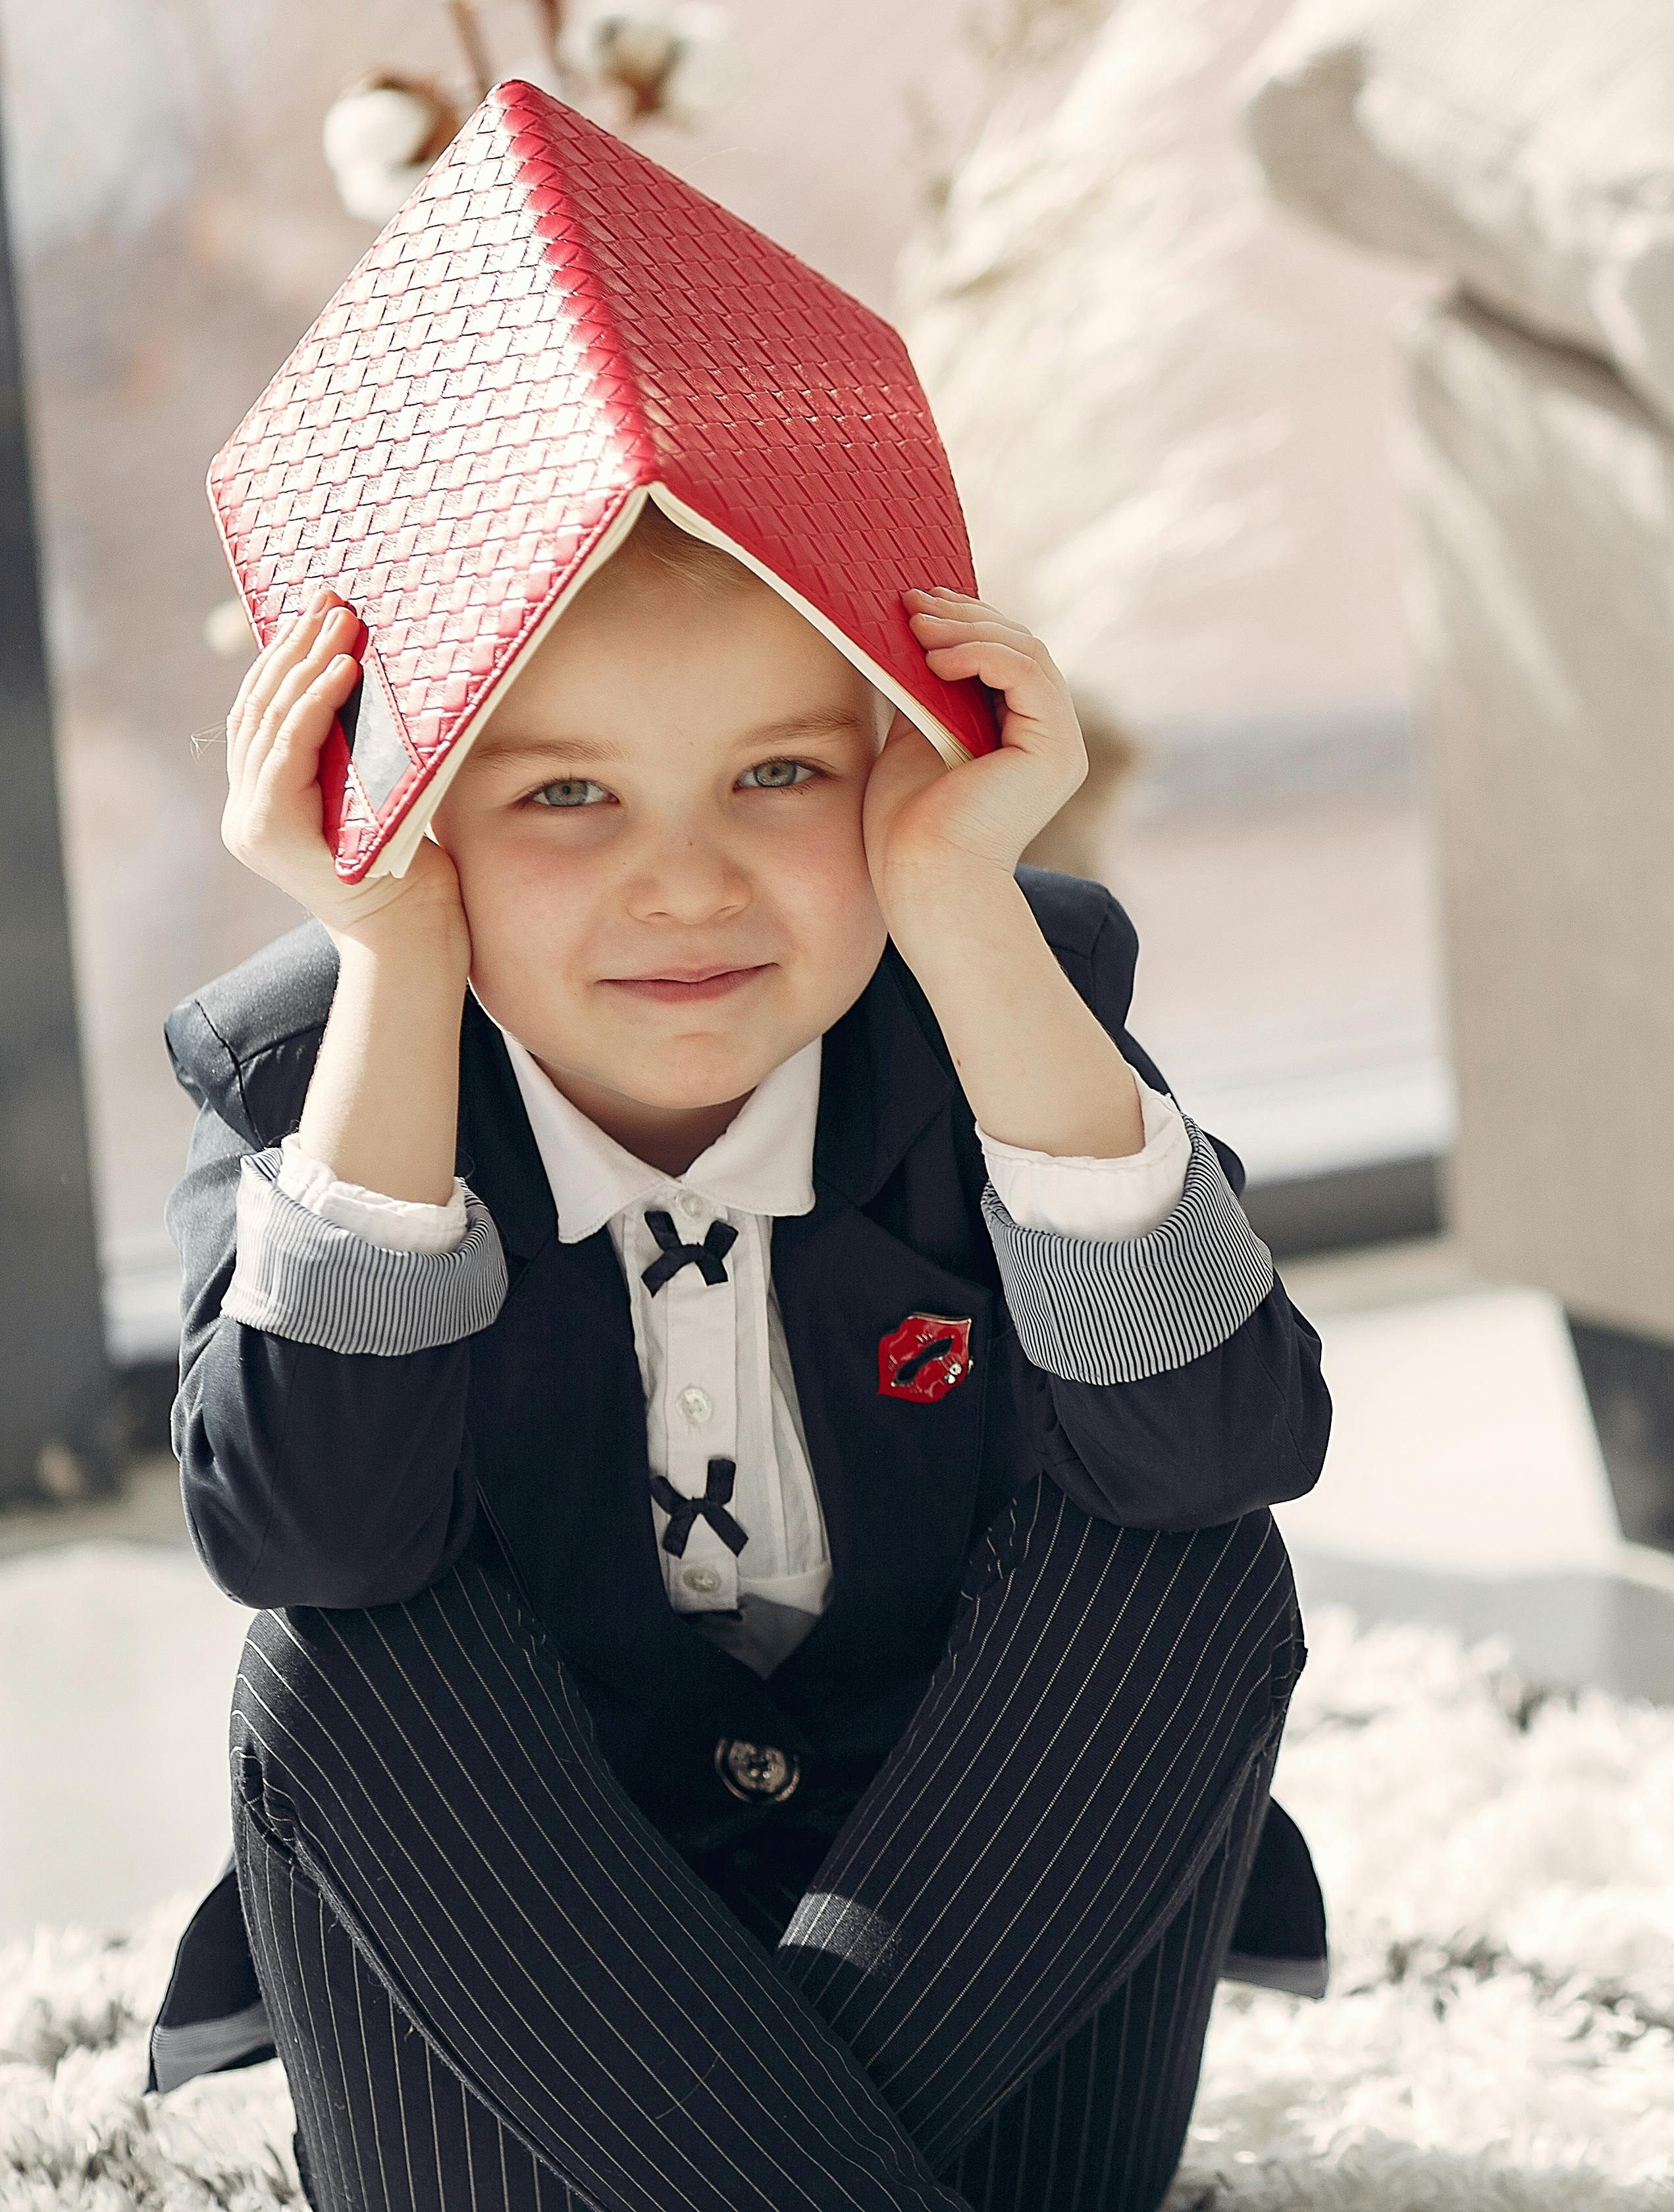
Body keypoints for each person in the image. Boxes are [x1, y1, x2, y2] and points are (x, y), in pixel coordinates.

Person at [155, 515, 1330, 2212]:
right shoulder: (307, 1078)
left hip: (974, 1934)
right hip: (529, 1999)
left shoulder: (997, 1011)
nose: (688, 882)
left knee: (1185, 1567)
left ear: (892, 766)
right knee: (346, 1655)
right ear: (403, 814)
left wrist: (954, 893)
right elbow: (312, 1537)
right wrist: (395, 954)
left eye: (778, 774)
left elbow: (1215, 1445)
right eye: (566, 794)